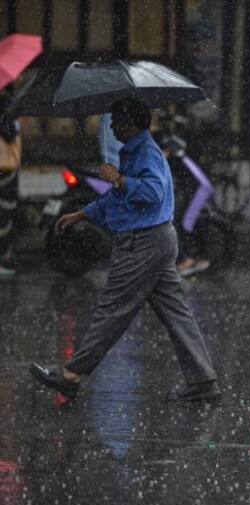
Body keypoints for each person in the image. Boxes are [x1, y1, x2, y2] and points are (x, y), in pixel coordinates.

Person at [29, 97, 220, 403]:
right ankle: (203, 381)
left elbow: (152, 193)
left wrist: (118, 179)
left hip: (143, 243)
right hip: (155, 240)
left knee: (113, 309)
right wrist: (81, 214)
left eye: (117, 121)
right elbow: (118, 200)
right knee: (176, 313)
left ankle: (71, 375)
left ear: (132, 123)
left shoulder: (145, 153)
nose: (113, 126)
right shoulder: (133, 152)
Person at [0, 93, 21, 278]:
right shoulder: (5, 110)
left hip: (5, 171)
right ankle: (3, 257)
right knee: (4, 216)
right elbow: (9, 134)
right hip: (5, 173)